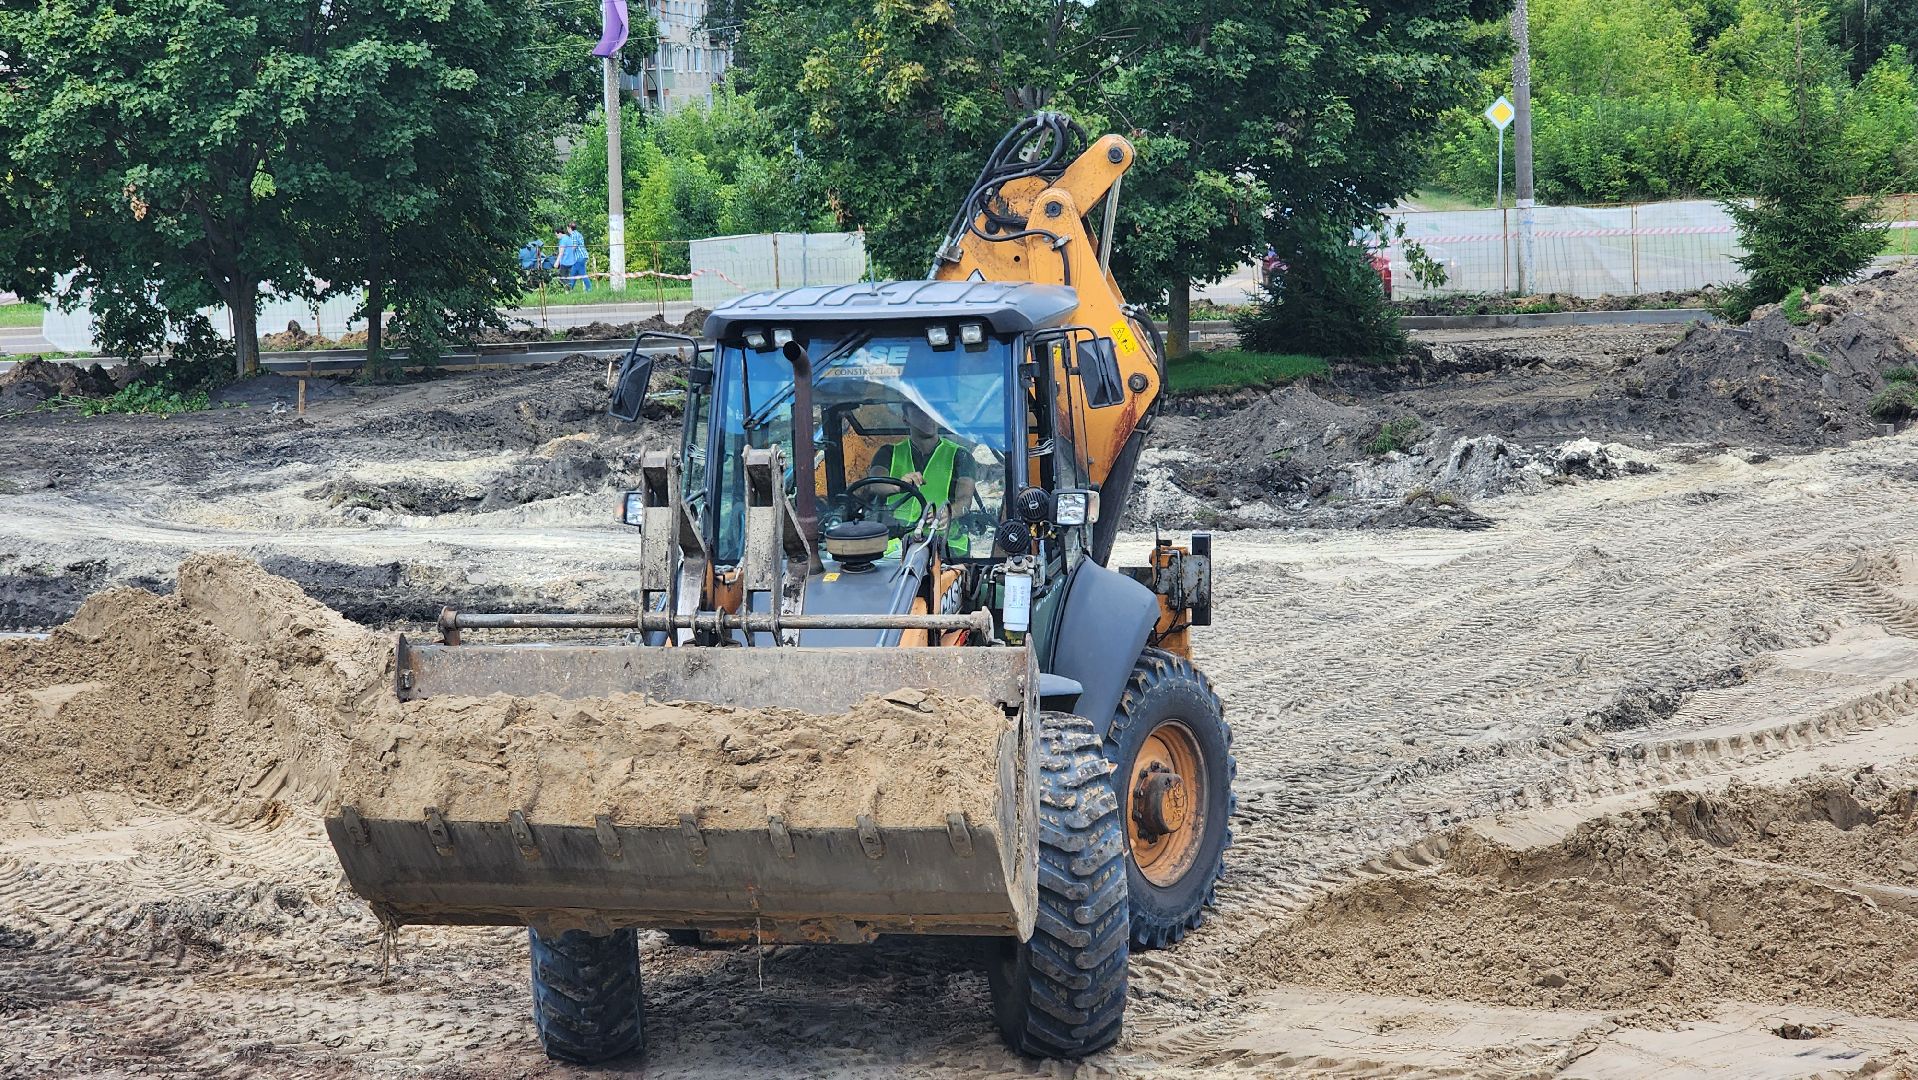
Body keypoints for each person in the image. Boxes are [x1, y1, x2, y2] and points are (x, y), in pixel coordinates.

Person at [869, 401, 976, 554]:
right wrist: (899, 486)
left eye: (933, 409)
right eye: (920, 410)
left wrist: (949, 512)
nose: (929, 416)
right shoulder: (888, 453)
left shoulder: (961, 455)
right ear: (905, 418)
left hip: (945, 545)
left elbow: (965, 499)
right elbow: (876, 485)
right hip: (895, 543)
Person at [566, 222, 593, 292]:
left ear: (569, 228)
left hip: (579, 257)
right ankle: (569, 290)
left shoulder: (573, 235)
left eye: (567, 228)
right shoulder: (578, 234)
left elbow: (574, 246)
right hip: (579, 257)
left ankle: (589, 289)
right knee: (573, 273)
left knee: (583, 274)